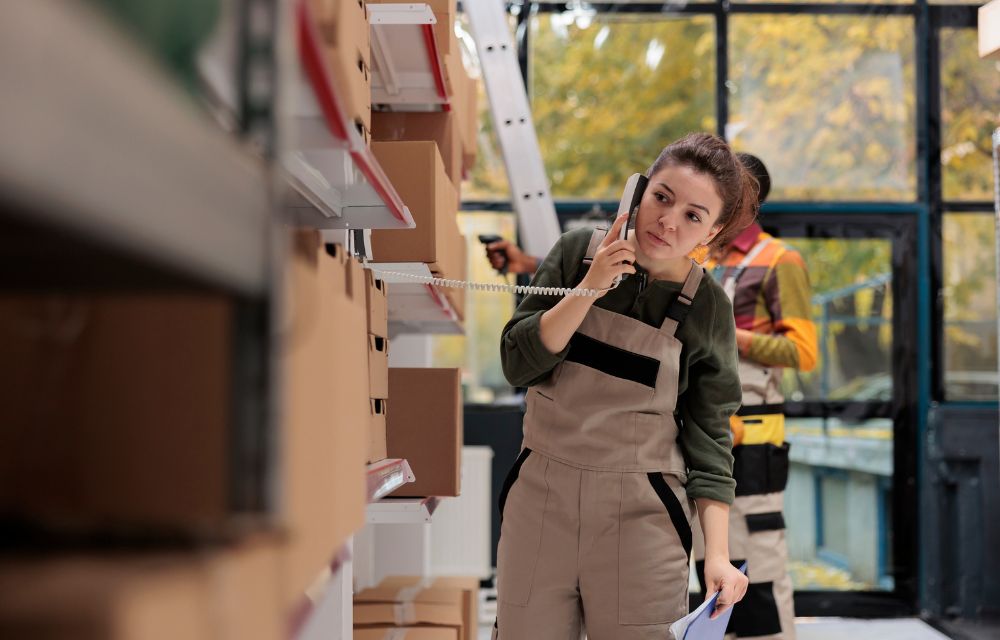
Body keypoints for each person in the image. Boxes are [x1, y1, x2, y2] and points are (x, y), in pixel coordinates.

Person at [494, 133, 757, 639]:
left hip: (642, 514)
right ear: (639, 190)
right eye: (662, 197)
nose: (669, 221)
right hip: (541, 498)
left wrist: (718, 557)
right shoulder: (576, 253)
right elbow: (516, 363)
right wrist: (589, 288)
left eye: (693, 215)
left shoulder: (707, 307)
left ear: (714, 229)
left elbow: (709, 435)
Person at [693, 153, 818, 640]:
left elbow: (803, 352)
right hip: (703, 437)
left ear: (750, 200)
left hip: (754, 448)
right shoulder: (698, 259)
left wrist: (728, 332)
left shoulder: (779, 261)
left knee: (758, 578)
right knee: (704, 575)